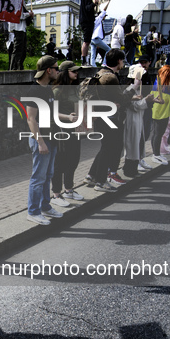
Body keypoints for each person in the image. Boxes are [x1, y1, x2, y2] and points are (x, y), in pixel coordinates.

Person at [81, 48, 128, 191]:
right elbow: (122, 99)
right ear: (119, 60)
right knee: (109, 149)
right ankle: (101, 182)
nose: (123, 63)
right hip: (111, 118)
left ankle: (92, 175)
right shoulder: (111, 77)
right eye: (122, 60)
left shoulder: (99, 73)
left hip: (100, 117)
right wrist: (133, 89)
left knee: (105, 147)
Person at [25, 56, 62, 225]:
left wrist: (69, 116)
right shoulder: (34, 91)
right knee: (38, 177)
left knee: (48, 175)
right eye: (56, 68)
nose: (58, 71)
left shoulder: (47, 89)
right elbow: (31, 119)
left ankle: (45, 206)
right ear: (48, 70)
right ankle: (33, 212)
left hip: (51, 138)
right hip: (42, 140)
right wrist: (40, 142)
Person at [51, 61, 85, 207]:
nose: (77, 73)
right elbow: (52, 112)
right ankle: (56, 194)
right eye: (73, 71)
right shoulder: (57, 90)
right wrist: (68, 117)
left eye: (77, 71)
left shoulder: (74, 88)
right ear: (65, 72)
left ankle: (69, 189)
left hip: (75, 129)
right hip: (62, 130)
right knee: (60, 161)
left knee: (74, 159)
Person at [149, 65, 170, 165]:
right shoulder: (161, 84)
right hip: (159, 112)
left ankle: (156, 154)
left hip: (163, 112)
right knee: (157, 134)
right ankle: (156, 155)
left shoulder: (161, 83)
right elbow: (162, 96)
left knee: (158, 133)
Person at [9, 5, 33, 70]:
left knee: (23, 50)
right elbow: (18, 15)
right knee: (17, 49)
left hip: (22, 28)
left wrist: (29, 15)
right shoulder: (16, 2)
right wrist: (28, 14)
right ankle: (13, 67)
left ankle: (19, 66)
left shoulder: (21, 3)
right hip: (18, 28)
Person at [79, 0, 99, 66]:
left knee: (87, 41)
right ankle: (84, 61)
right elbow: (88, 8)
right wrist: (94, 3)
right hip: (87, 21)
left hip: (85, 21)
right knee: (86, 41)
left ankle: (85, 60)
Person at [90, 0, 111, 67]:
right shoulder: (98, 19)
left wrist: (97, 5)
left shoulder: (92, 20)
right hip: (96, 38)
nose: (104, 17)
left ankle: (93, 65)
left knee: (93, 53)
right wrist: (108, 2)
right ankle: (104, 63)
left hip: (92, 39)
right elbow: (104, 10)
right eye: (104, 16)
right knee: (108, 49)